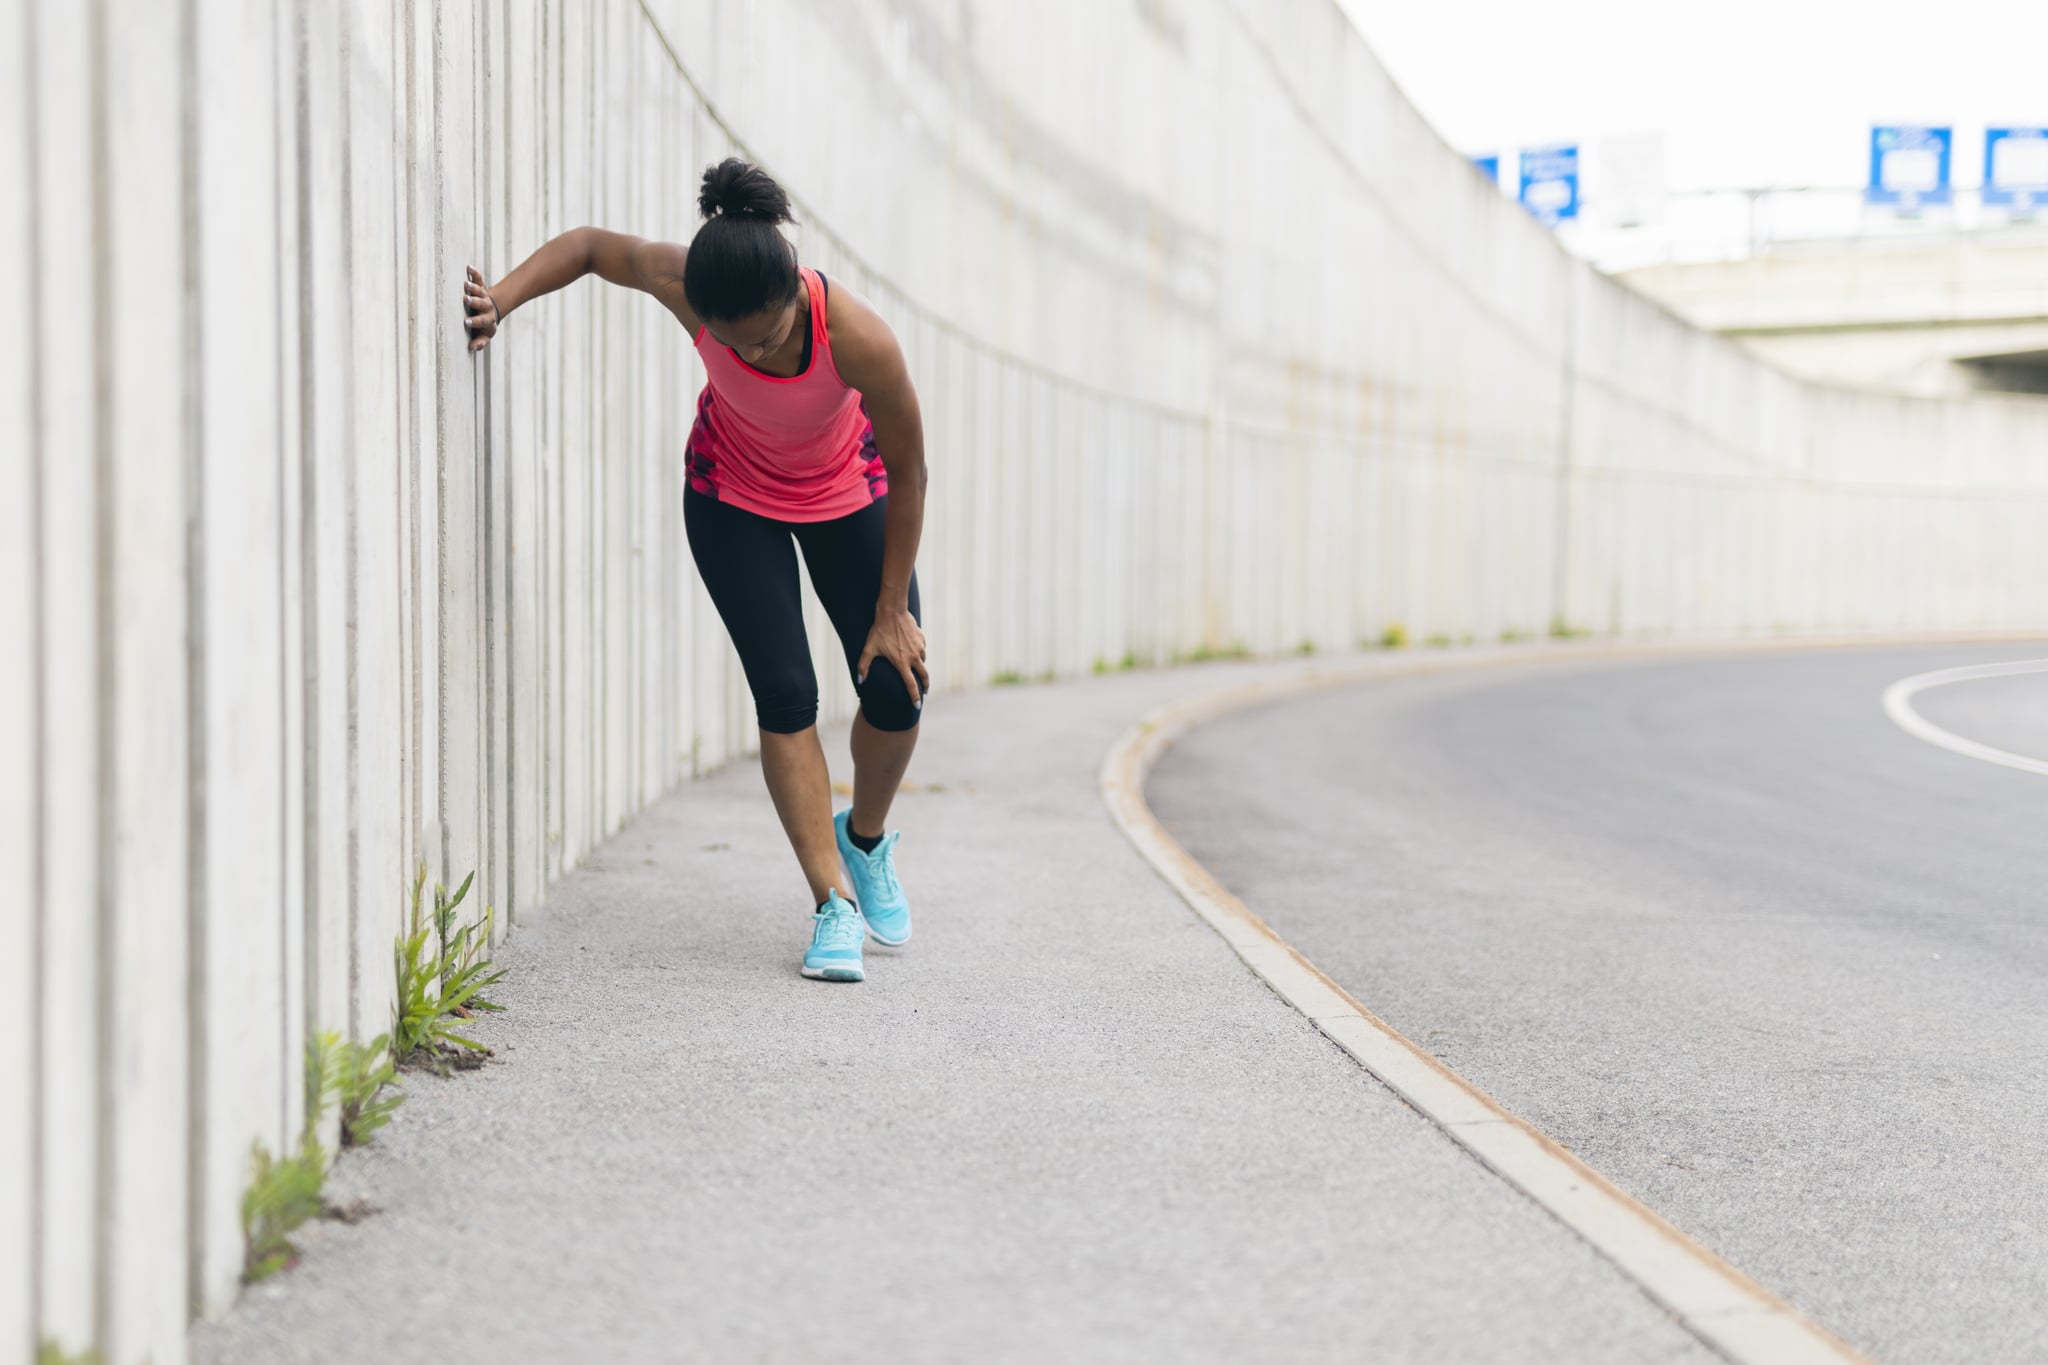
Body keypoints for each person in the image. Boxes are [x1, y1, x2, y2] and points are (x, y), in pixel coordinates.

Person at [463, 158, 928, 984]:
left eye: (772, 335)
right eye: (738, 340)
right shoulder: (684, 280)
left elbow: (912, 466)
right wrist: (502, 297)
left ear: (796, 297)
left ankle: (865, 839)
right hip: (731, 496)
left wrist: (892, 605)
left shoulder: (857, 336)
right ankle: (832, 905)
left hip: (847, 493)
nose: (756, 349)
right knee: (787, 694)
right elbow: (588, 249)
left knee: (895, 690)